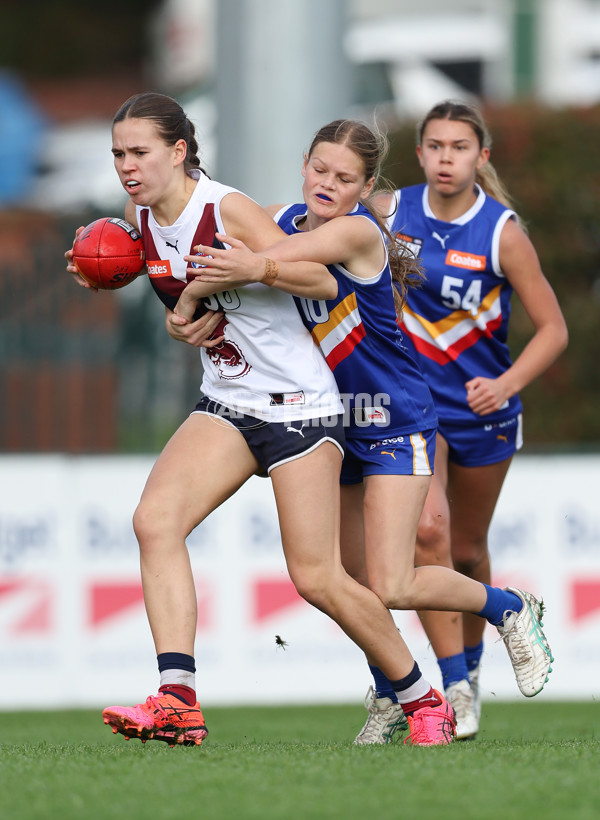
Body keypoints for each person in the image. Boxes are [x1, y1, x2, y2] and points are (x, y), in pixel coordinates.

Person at [64, 91, 459, 749]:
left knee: (317, 578)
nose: (127, 166)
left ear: (179, 151)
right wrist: (181, 316)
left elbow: (325, 282)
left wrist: (260, 267)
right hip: (228, 403)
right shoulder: (143, 219)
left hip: (302, 408)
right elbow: (201, 302)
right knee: (154, 520)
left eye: (140, 152)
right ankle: (177, 699)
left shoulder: (228, 209)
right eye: (118, 154)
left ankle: (423, 699)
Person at [174, 118, 555, 747]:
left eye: (346, 177)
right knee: (349, 586)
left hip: (396, 418)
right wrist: (167, 287)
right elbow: (221, 245)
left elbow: (264, 261)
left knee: (393, 581)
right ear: (304, 162)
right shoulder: (283, 217)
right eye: (319, 169)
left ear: (368, 186)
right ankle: (391, 693)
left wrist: (241, 263)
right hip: (330, 423)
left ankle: (507, 607)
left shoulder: (357, 231)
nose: (328, 184)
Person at [370, 100, 568, 739]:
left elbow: (554, 330)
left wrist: (505, 383)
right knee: (428, 534)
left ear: (480, 156)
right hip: (413, 405)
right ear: (421, 153)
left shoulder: (502, 231)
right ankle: (452, 684)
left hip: (482, 410)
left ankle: (476, 666)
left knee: (466, 549)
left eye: (459, 147)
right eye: (434, 146)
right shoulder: (394, 212)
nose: (445, 158)